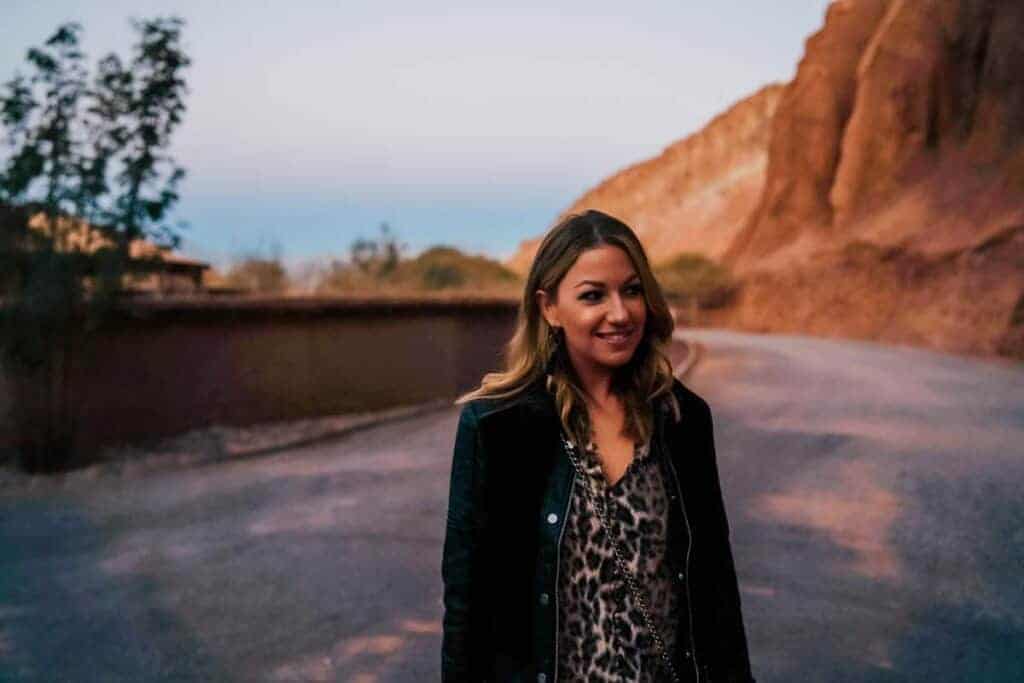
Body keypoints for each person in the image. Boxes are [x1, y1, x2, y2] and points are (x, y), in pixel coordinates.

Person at [441, 209, 755, 683]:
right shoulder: (497, 428)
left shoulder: (680, 419)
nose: (620, 313)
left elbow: (714, 587)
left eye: (632, 290)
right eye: (593, 296)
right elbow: (467, 603)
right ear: (549, 308)